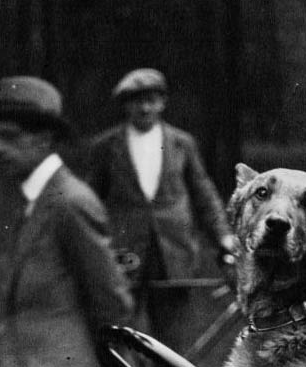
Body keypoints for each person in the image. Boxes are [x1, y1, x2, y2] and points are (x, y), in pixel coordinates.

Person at [0, 75, 134, 367]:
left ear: (44, 139)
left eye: (9, 137)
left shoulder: (71, 202)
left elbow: (111, 301)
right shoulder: (36, 200)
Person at [85, 68, 236, 349]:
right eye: (136, 101)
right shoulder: (106, 147)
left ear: (163, 103)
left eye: (151, 100)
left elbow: (204, 195)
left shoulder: (182, 144)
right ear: (125, 105)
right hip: (124, 256)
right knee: (118, 335)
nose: (144, 108)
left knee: (175, 345)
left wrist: (224, 238)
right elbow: (89, 202)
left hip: (173, 255)